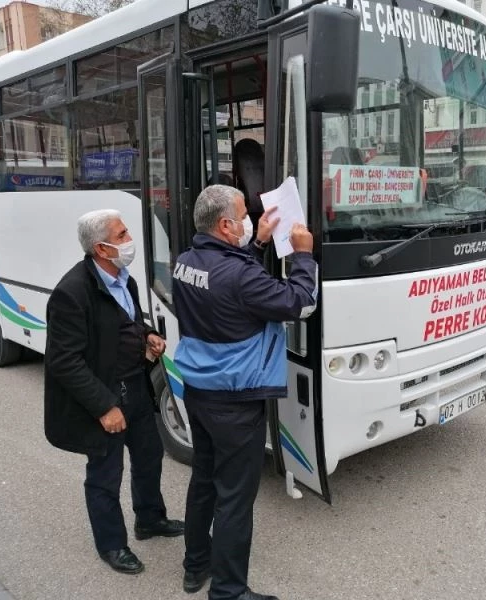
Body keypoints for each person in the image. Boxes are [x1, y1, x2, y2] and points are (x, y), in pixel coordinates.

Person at [173, 185, 317, 600]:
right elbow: (299, 302)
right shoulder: (238, 275)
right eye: (243, 215)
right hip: (236, 400)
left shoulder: (186, 261)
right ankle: (229, 592)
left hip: (199, 392)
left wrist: (257, 243)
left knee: (204, 480)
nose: (249, 218)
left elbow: (230, 286)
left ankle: (194, 566)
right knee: (234, 499)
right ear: (224, 225)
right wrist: (302, 255)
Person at [44, 209, 183, 575]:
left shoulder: (125, 280)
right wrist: (105, 406)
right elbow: (64, 361)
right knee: (106, 475)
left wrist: (147, 336)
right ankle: (111, 545)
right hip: (104, 397)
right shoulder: (72, 292)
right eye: (121, 236)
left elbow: (128, 322)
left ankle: (150, 519)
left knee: (150, 456)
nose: (129, 240)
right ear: (101, 248)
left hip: (135, 386)